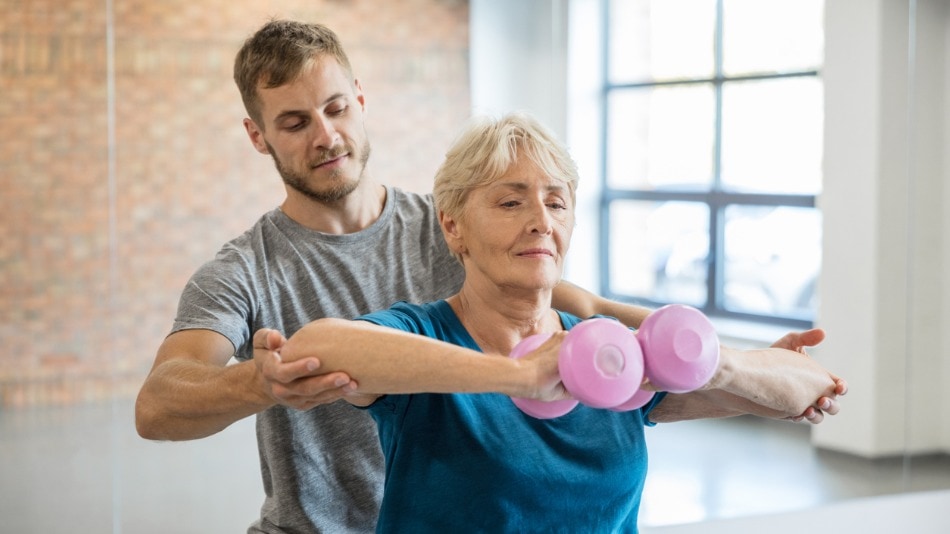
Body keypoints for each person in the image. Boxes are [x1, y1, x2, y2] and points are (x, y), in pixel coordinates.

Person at [134, 19, 844, 534]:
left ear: (360, 100)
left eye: (336, 107)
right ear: (259, 136)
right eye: (294, 122)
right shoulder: (245, 270)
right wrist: (257, 382)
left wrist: (723, 358)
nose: (325, 135)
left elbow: (582, 306)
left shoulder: (460, 226)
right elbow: (161, 403)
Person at [276, 111, 845, 532]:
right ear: (452, 227)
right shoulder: (426, 338)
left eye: (556, 201)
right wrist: (517, 377)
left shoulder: (610, 357)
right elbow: (321, 346)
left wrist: (708, 362)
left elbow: (809, 387)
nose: (540, 221)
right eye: (510, 202)